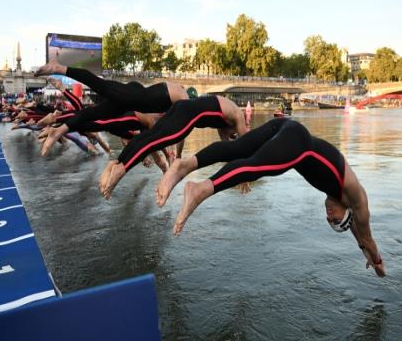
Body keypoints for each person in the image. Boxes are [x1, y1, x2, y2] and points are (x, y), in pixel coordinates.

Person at [158, 117, 385, 277]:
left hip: (286, 128)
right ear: (347, 213)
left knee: (238, 149)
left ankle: (184, 165)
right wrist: (376, 261)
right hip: (298, 142)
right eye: (335, 220)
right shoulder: (357, 199)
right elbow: (365, 235)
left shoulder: (339, 196)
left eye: (329, 221)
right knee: (258, 167)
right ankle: (200, 190)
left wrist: (361, 249)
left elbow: (359, 235)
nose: (328, 217)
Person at [99, 95, 247, 199]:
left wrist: (178, 156)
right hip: (190, 113)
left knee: (150, 136)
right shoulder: (239, 116)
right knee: (155, 141)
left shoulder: (225, 122)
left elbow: (229, 153)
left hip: (181, 106)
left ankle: (117, 163)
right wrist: (244, 177)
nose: (230, 135)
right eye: (234, 135)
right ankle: (121, 170)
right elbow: (243, 147)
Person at [34, 57, 188, 155]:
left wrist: (173, 155)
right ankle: (58, 68)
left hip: (130, 101)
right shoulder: (183, 96)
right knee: (99, 85)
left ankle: (58, 130)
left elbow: (178, 131)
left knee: (93, 114)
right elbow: (182, 130)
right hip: (134, 95)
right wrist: (177, 155)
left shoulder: (175, 104)